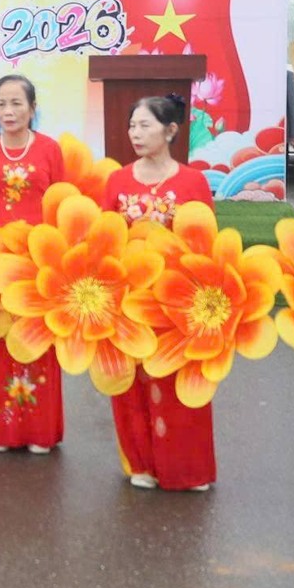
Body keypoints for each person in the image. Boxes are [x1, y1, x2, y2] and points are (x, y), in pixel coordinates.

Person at [101, 93, 217, 490]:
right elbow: (105, 241)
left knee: (177, 381)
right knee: (132, 382)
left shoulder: (192, 182)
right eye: (132, 126)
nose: (135, 133)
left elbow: (206, 243)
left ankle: (188, 470)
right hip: (130, 299)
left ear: (170, 130)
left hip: (177, 301)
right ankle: (142, 464)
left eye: (144, 125)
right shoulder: (117, 181)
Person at [0, 75, 67, 454]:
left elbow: (59, 205)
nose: (8, 111)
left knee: (35, 341)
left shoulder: (50, 150)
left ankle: (38, 431)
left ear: (32, 108)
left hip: (37, 264)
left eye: (16, 103)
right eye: (1, 104)